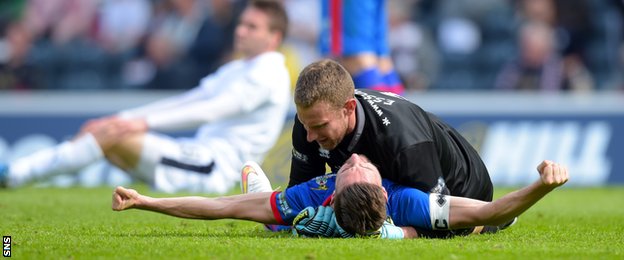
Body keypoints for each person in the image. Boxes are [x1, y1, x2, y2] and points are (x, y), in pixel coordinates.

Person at [0, 0, 291, 194]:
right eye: (241, 24)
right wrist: (125, 118)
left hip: (217, 170)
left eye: (252, 27)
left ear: (274, 37)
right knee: (109, 133)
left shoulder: (268, 74)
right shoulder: (240, 68)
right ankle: (15, 174)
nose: (240, 31)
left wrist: (140, 123)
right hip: (199, 156)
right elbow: (191, 99)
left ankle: (15, 174)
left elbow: (209, 111)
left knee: (110, 136)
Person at [111, 154, 569, 239]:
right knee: (492, 223)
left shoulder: (320, 191)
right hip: (385, 223)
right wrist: (541, 186)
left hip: (317, 212)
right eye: (352, 168)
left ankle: (269, 205)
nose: (351, 161)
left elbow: (224, 207)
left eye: (350, 170)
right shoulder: (407, 201)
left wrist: (146, 201)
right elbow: (491, 208)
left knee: (277, 217)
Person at [288, 59, 494, 236]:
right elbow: (297, 197)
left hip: (467, 190)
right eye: (305, 124)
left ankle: (493, 224)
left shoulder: (404, 143)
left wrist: (398, 234)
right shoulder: (311, 120)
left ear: (348, 108)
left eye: (320, 126)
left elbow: (442, 216)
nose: (310, 136)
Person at [319, 0, 404, 94]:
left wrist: (382, 52)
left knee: (395, 97)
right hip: (353, 53)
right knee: (381, 96)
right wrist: (334, 49)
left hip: (370, 52)